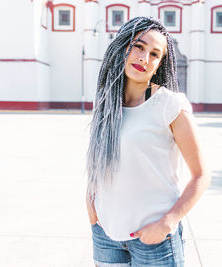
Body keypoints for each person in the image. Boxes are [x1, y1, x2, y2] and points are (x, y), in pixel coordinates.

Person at [86, 17, 210, 267]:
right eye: (139, 46)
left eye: (155, 54)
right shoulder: (106, 103)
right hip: (106, 233)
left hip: (154, 240)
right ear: (123, 47)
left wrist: (168, 223)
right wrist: (90, 200)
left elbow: (201, 175)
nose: (144, 58)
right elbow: (99, 157)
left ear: (160, 64)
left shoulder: (171, 105)